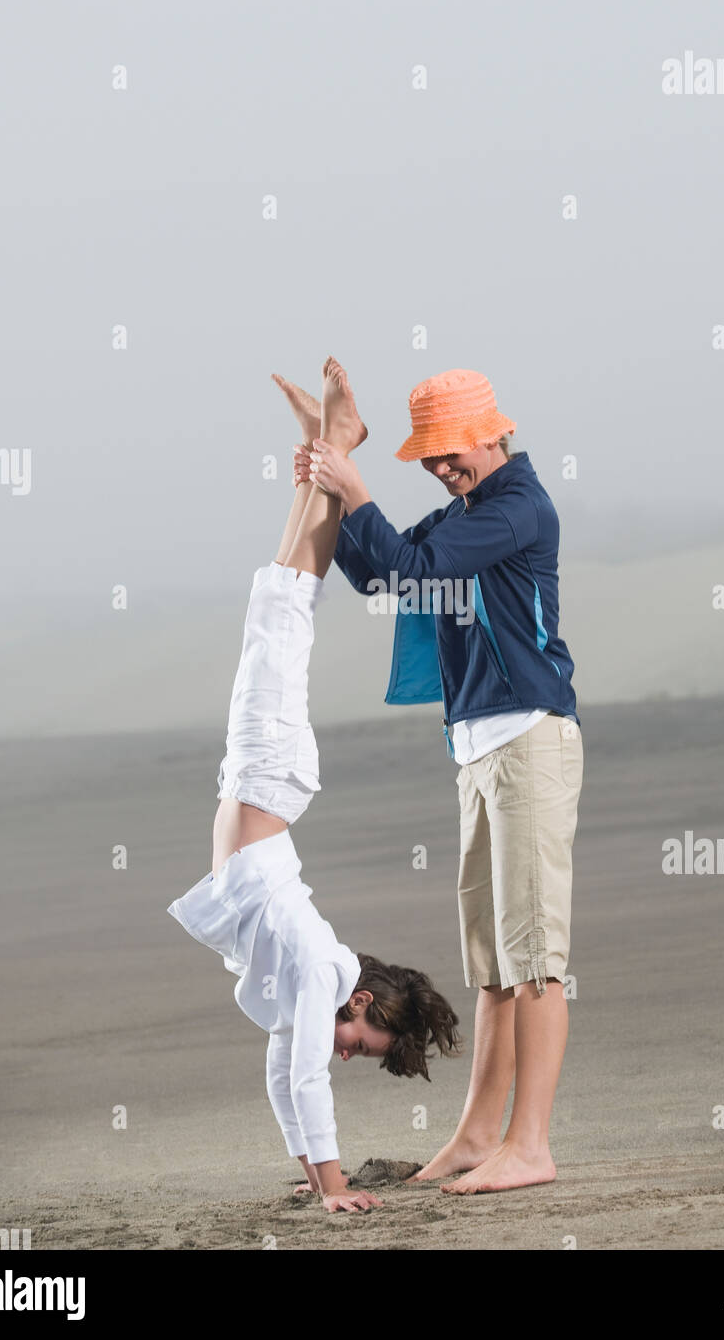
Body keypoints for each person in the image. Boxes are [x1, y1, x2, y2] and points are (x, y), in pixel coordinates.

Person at [166, 360, 460, 1214]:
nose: (345, 1051)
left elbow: (280, 1074)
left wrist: (309, 1168)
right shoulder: (316, 969)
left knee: (276, 605)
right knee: (282, 614)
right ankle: (336, 448)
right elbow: (305, 1077)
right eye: (361, 1043)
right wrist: (335, 1189)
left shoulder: (309, 992)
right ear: (361, 1001)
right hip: (271, 771)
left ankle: (323, 447)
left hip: (261, 779)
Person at [291, 361, 583, 1196]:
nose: (440, 466)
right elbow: (382, 575)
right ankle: (476, 1138)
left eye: (451, 451)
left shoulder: (517, 510)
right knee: (492, 965)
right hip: (478, 746)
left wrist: (355, 483)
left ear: (492, 433)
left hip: (529, 737)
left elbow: (416, 571)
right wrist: (332, 472)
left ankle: (530, 1145)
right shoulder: (466, 515)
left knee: (535, 961)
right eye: (429, 455)